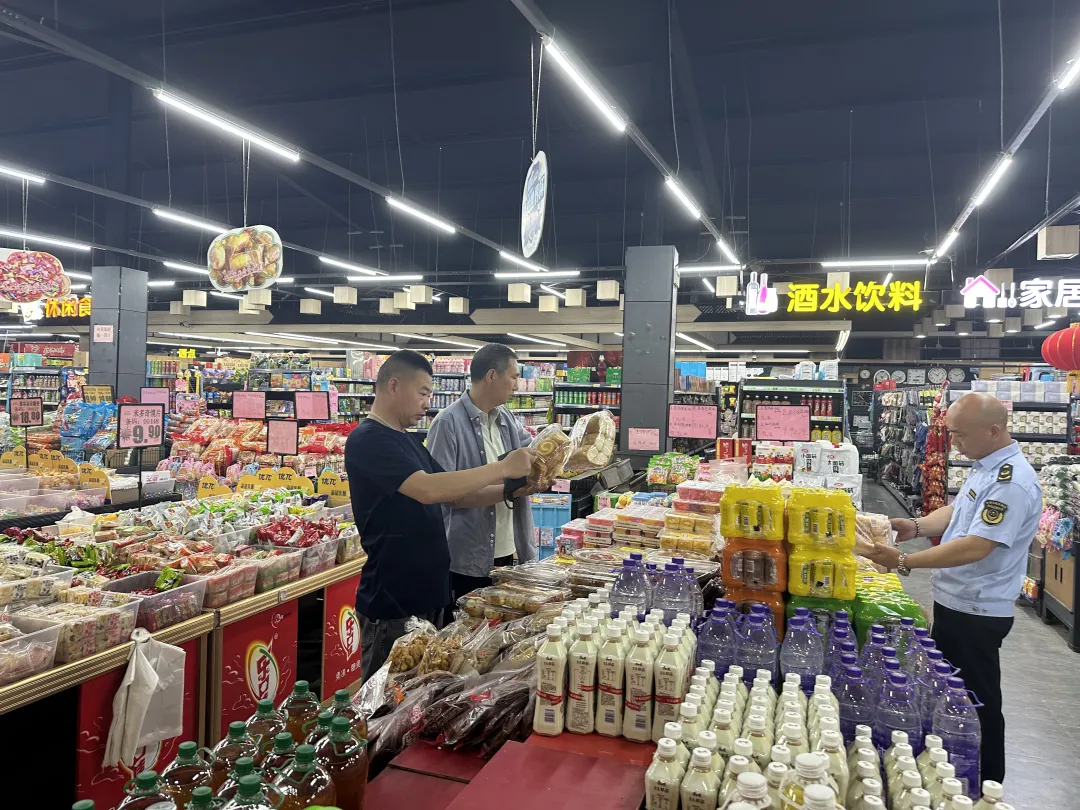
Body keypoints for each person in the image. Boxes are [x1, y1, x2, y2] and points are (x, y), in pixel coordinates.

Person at [861, 392, 1041, 784]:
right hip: (957, 601)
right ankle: (954, 772)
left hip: (976, 609)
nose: (953, 442)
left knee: (974, 700)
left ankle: (987, 784)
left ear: (993, 431)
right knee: (951, 691)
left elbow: (977, 545)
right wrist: (916, 526)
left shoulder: (1011, 482)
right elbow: (958, 511)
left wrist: (904, 561)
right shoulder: (986, 466)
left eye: (959, 434)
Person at [344, 349, 535, 679]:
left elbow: (455, 493)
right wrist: (503, 468)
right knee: (385, 695)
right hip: (393, 600)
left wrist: (514, 490)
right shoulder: (368, 440)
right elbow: (428, 489)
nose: (427, 403)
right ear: (393, 386)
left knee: (421, 693)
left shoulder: (407, 441)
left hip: (429, 595)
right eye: (423, 393)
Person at [428, 343, 539, 602]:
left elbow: (534, 454)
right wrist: (510, 491)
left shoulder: (506, 419)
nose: (517, 385)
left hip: (508, 550)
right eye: (513, 377)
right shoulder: (447, 423)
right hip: (466, 560)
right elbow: (446, 495)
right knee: (466, 625)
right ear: (491, 376)